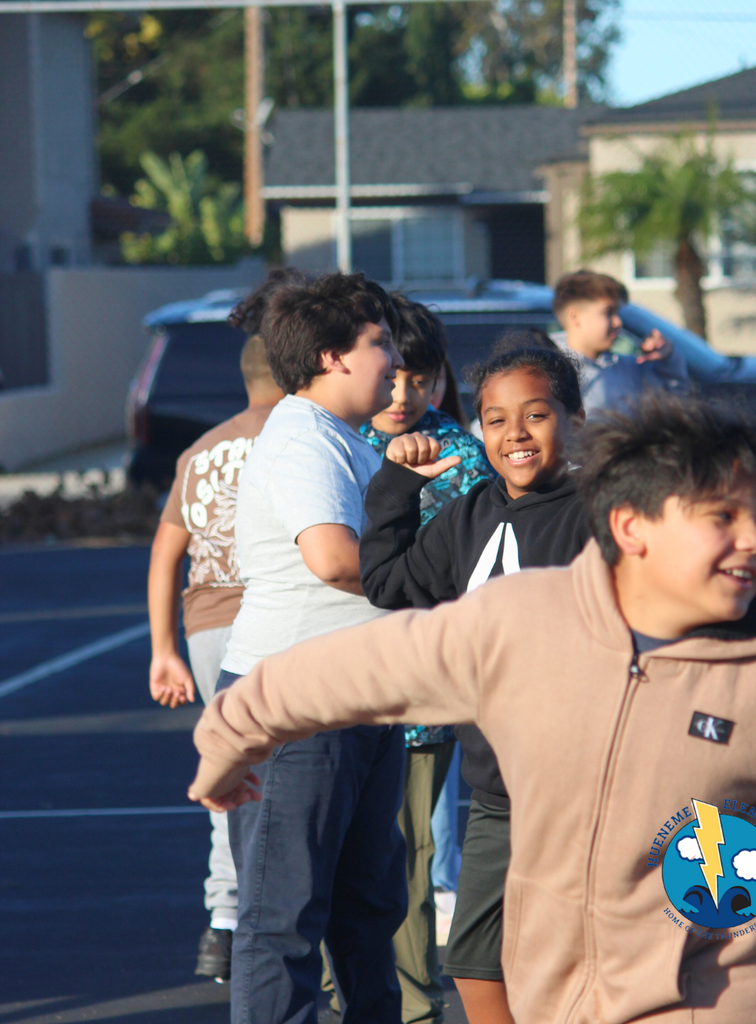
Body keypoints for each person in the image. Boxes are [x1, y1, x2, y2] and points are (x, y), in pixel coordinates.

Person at [189, 392, 756, 1024]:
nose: (753, 543)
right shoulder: (522, 624)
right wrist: (228, 742)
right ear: (631, 526)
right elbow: (342, 672)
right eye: (722, 518)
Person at [361, 338, 587, 1024]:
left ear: (574, 419)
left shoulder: (605, 513)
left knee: (592, 962)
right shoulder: (471, 512)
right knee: (474, 962)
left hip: (591, 790)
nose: (513, 434)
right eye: (494, 419)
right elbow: (388, 582)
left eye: (536, 415)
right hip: (497, 794)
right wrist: (398, 487)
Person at [215, 272, 407, 1024]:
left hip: (354, 701)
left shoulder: (342, 439)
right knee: (282, 920)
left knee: (367, 910)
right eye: (380, 342)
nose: (395, 361)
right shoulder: (301, 439)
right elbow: (332, 558)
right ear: (332, 356)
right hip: (297, 707)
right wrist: (439, 592)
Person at [359, 293, 494, 1024]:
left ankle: (414, 1007)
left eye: (422, 378)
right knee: (337, 862)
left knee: (410, 866)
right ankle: (342, 993)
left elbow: (454, 576)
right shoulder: (331, 438)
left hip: (417, 699)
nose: (404, 396)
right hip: (332, 693)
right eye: (391, 377)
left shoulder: (461, 456)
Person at [147, 288, 288, 980]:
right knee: (296, 773)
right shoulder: (297, 439)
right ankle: (286, 918)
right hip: (276, 618)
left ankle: (223, 926)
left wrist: (163, 648)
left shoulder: (201, 451)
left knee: (229, 772)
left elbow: (164, 552)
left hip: (206, 626)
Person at [552, 268, 688, 413]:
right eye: (608, 312)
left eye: (617, 313)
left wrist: (667, 359)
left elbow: (674, 401)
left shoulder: (627, 369)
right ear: (575, 317)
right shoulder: (548, 372)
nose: (618, 322)